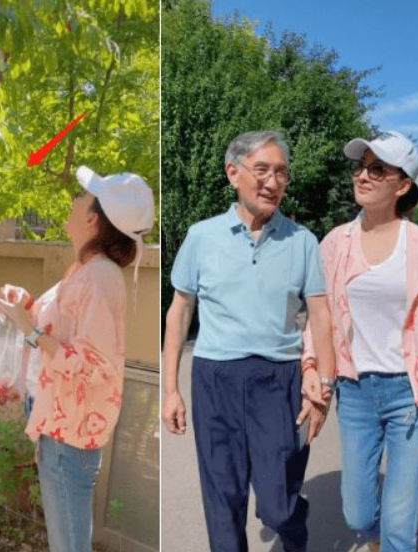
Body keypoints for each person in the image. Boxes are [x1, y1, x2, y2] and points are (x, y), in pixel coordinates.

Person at [162, 130, 336, 552]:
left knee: (277, 506)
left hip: (277, 381)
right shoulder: (201, 236)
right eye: (262, 170)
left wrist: (324, 388)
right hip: (214, 377)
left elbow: (321, 316)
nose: (273, 182)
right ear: (233, 173)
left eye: (281, 173)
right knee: (223, 499)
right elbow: (180, 309)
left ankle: (295, 522)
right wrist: (170, 389)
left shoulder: (303, 242)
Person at [302, 131, 418, 552]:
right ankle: (371, 540)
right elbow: (319, 318)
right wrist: (312, 369)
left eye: (377, 168)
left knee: (400, 518)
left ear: (403, 184)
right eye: (360, 166)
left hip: (412, 395)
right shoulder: (335, 243)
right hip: (356, 393)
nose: (363, 175)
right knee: (358, 512)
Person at [0, 166, 155, 552]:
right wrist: (26, 306)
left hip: (69, 439)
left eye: (83, 195)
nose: (75, 198)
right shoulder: (84, 270)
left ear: (92, 219)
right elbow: (61, 330)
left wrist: (29, 330)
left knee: (68, 545)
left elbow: (94, 365)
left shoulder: (99, 277)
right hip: (60, 428)